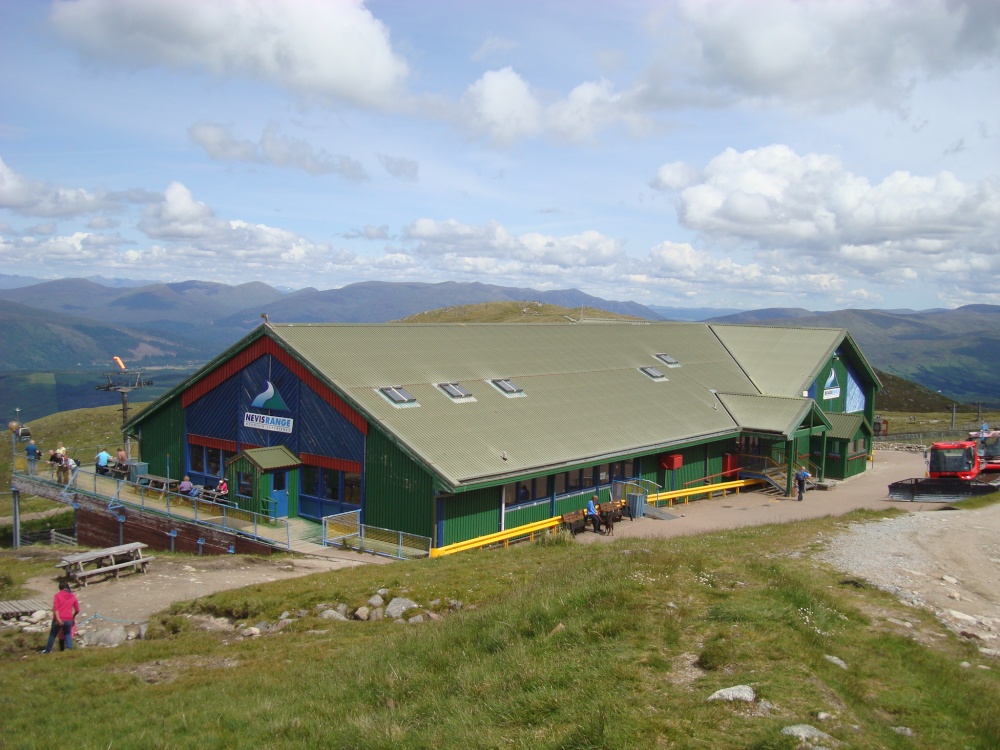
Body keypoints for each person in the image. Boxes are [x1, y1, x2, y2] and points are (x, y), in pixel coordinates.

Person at [42, 581, 80, 653]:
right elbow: (77, 610)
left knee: (53, 634)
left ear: (60, 588)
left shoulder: (57, 595)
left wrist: (58, 619)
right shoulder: (73, 596)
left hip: (58, 619)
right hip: (69, 619)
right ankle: (69, 649)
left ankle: (48, 650)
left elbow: (56, 609)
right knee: (67, 634)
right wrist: (73, 617)